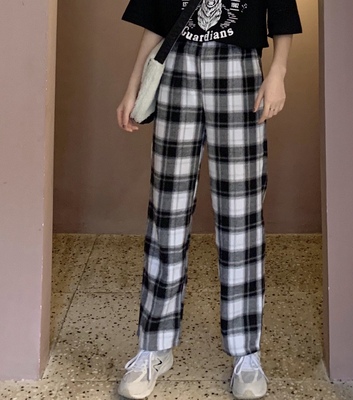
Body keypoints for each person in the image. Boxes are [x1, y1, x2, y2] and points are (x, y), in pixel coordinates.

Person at [116, 0, 302, 398]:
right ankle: (154, 346)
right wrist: (133, 86)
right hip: (176, 68)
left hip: (238, 67)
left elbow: (282, 10)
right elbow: (155, 21)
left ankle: (245, 352)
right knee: (166, 212)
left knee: (241, 216)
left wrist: (278, 72)